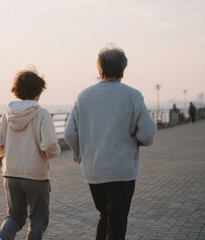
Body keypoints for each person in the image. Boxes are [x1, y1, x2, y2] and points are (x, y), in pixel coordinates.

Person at [64, 45, 157, 240]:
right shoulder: (133, 96)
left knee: (104, 215)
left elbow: (69, 135)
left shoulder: (83, 96)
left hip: (94, 170)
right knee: (117, 220)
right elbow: (147, 135)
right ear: (123, 70)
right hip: (122, 170)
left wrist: (79, 156)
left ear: (99, 69)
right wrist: (134, 140)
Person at [0, 68, 61, 240]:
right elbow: (50, 145)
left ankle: (0, 239)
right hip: (36, 175)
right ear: (38, 92)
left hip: (10, 174)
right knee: (38, 218)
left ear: (17, 91)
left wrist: (7, 154)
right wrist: (54, 152)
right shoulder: (42, 114)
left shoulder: (6, 115)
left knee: (15, 216)